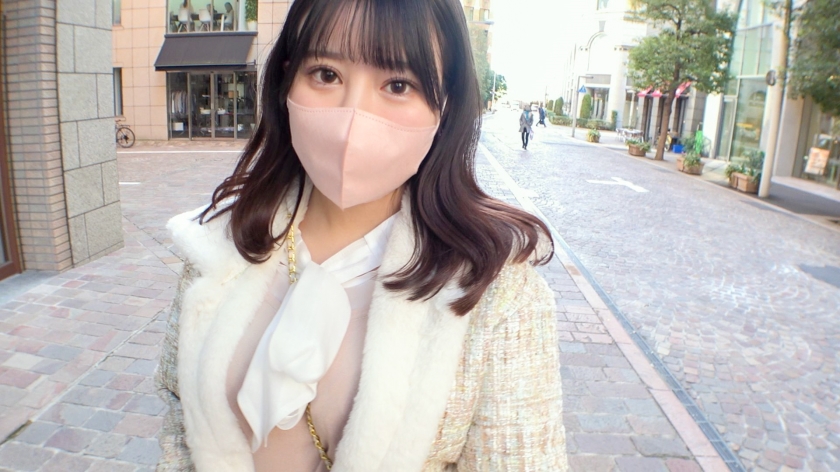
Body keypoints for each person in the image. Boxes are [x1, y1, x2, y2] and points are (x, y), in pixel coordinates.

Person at [155, 0, 568, 470]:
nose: (353, 116)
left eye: (398, 85)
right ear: (287, 80)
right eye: (326, 74)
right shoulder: (216, 244)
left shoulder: (495, 290)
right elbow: (178, 434)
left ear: (444, 104)